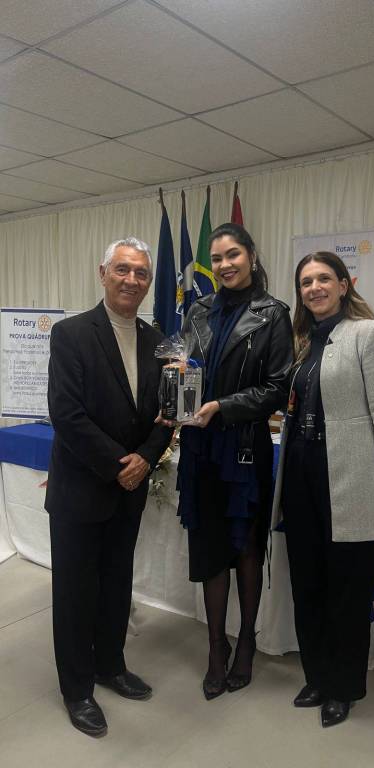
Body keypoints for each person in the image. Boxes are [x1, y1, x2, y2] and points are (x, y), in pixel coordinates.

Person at [272, 251, 374, 728]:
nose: (314, 288)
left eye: (323, 279)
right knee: (307, 583)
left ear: (344, 284)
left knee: (347, 591)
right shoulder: (301, 342)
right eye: (306, 281)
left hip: (350, 479)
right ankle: (316, 676)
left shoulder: (368, 334)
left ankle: (344, 686)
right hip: (301, 475)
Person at [45, 237, 173, 737]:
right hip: (82, 488)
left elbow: (166, 414)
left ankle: (110, 666)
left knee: (117, 583)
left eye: (141, 273)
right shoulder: (71, 334)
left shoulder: (158, 341)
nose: (131, 280)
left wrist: (146, 458)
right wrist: (121, 465)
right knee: (75, 593)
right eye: (122, 269)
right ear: (103, 273)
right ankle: (77, 689)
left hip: (129, 490)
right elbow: (67, 414)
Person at [161, 222, 293, 700]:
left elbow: (278, 388)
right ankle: (216, 646)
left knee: (246, 550)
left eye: (233, 254)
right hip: (200, 449)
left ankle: (248, 642)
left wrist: (223, 406)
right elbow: (184, 368)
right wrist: (175, 385)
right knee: (210, 547)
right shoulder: (197, 310)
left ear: (251, 256)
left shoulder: (272, 313)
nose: (224, 265)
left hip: (243, 448)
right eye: (216, 258)